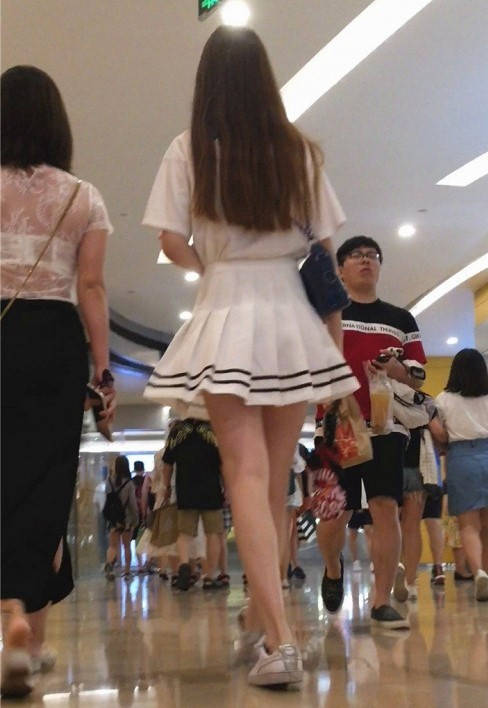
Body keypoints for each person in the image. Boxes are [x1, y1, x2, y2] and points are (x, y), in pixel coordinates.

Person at [141, 26, 358, 687]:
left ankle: (280, 638)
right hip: (289, 314)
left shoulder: (189, 148)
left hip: (227, 308)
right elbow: (324, 247)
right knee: (272, 479)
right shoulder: (299, 152)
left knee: (244, 468)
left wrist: (212, 261)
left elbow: (171, 240)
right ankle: (264, 620)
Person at [0, 65, 115, 698]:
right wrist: (103, 369)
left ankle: (8, 615)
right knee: (44, 480)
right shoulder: (82, 197)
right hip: (53, 341)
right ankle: (24, 619)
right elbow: (91, 287)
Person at [316, 235, 427, 630]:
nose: (366, 261)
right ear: (341, 269)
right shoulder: (326, 314)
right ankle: (332, 568)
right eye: (356, 256)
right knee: (334, 513)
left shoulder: (401, 319)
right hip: (338, 425)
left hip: (386, 425)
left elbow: (418, 375)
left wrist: (395, 369)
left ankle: (381, 599)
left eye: (372, 256)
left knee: (385, 507)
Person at [430, 349, 488, 601]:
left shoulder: (442, 400)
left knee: (469, 525)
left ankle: (479, 573)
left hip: (461, 459)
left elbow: (440, 437)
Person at [162, 419, 225, 591]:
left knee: (184, 533)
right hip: (211, 489)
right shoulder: (214, 429)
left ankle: (184, 564)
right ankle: (210, 577)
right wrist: (226, 487)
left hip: (185, 489)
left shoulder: (178, 431)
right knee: (213, 533)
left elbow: (167, 463)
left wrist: (166, 486)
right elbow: (223, 463)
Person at [104, 456, 139, 581]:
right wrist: (136, 519)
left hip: (113, 519)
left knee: (112, 546)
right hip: (126, 519)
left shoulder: (109, 481)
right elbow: (133, 504)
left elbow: (107, 499)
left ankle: (110, 566)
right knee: (127, 546)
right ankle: (127, 572)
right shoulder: (129, 483)